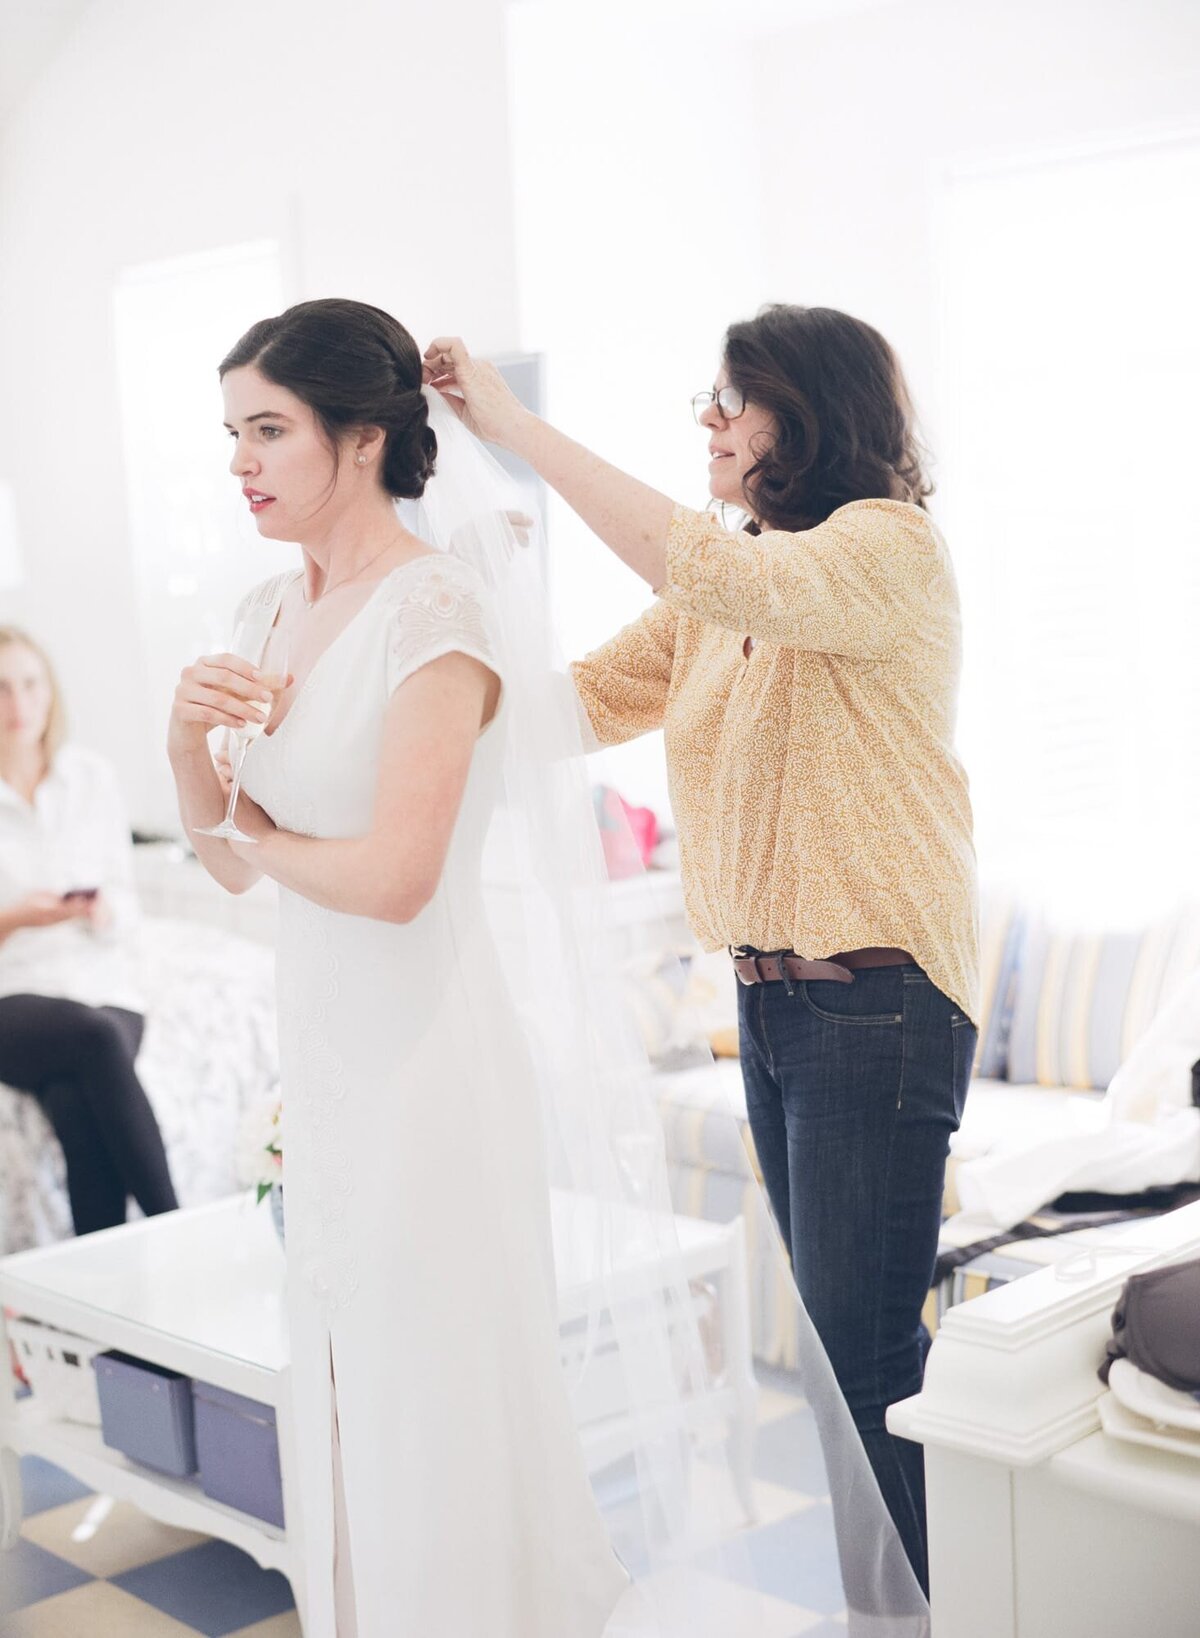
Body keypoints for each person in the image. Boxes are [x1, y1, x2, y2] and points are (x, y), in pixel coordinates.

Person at [422, 305, 980, 1596]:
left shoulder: (886, 551)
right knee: (852, 1375)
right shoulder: (727, 589)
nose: (710, 423)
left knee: (863, 1361)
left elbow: (706, 568)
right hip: (780, 1012)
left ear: (812, 412)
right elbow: (568, 703)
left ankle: (960, 1611)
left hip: (877, 1004)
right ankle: (897, 1616)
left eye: (735, 400)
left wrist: (510, 430)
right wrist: (452, 616)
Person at [167, 300, 629, 1638]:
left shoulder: (440, 604)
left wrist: (251, 823)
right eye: (234, 433)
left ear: (359, 438)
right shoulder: (265, 607)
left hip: (426, 1057)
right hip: (325, 1058)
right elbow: (228, 867)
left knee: (431, 1392)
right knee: (345, 1389)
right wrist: (185, 734)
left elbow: (396, 874)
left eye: (269, 429)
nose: (241, 460)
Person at [0, 626, 178, 1235]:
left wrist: (101, 911)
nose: (17, 706)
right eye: (0, 690)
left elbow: (126, 903)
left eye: (29, 685)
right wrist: (17, 918)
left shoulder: (90, 776)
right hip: (15, 994)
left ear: (50, 692)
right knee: (96, 1040)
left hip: (101, 978)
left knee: (77, 1105)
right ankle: (176, 1230)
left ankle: (107, 1316)